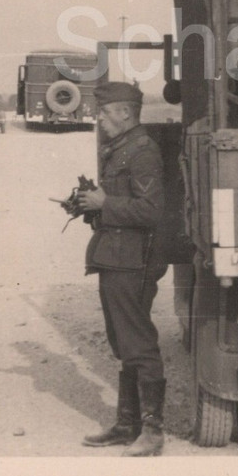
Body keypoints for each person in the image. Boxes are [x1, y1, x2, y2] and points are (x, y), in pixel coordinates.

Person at [72, 81, 168, 456]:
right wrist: (89, 205)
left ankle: (153, 432)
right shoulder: (121, 148)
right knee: (123, 341)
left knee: (139, 343)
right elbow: (122, 203)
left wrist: (104, 202)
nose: (100, 119)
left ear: (125, 113)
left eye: (105, 112)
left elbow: (151, 211)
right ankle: (127, 425)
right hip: (116, 256)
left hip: (134, 260)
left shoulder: (142, 151)